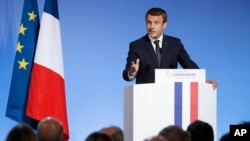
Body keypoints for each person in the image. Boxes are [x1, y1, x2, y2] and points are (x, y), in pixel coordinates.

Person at [122, 7, 218, 89]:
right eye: (148, 22)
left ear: (164, 24)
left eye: (156, 23)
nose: (151, 27)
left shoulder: (175, 43)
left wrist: (203, 80)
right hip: (146, 96)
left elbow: (188, 64)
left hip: (170, 95)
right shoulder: (137, 45)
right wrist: (131, 72)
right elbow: (126, 74)